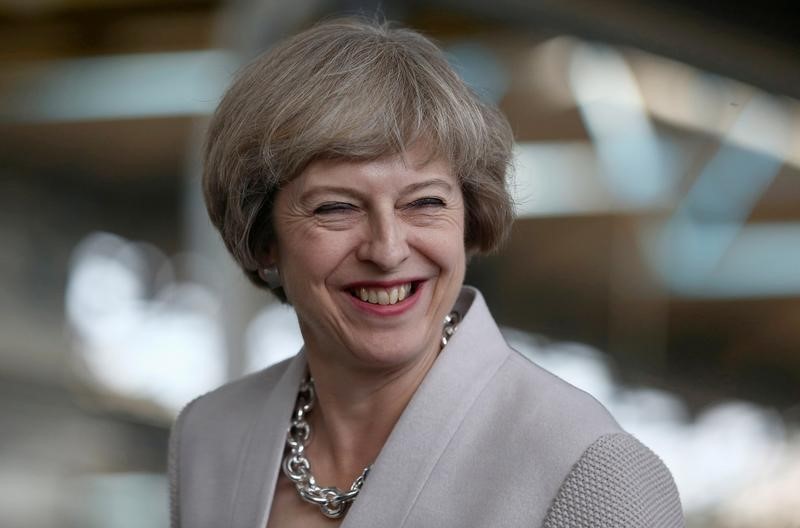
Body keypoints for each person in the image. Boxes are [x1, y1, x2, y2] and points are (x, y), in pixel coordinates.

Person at [169, 17, 684, 528]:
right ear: (264, 241)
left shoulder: (591, 474)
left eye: (424, 202)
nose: (387, 249)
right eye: (335, 208)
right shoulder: (208, 439)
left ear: (469, 218)